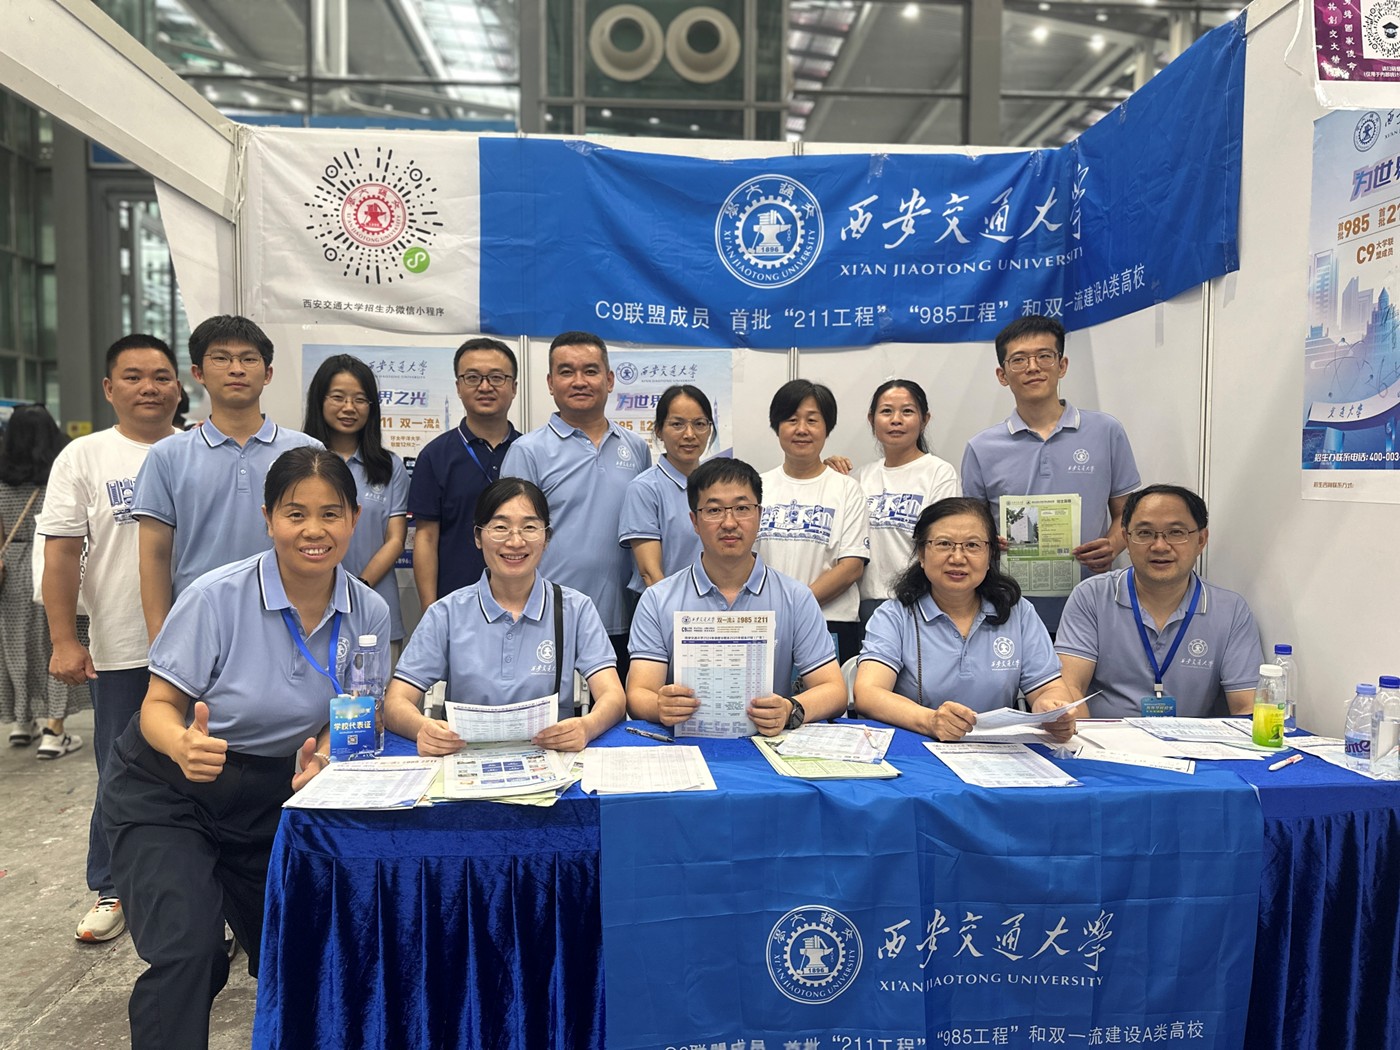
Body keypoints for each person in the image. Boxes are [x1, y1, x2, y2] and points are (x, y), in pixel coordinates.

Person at [101, 448, 389, 1050]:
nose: (313, 530)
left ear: (354, 519)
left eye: (330, 514)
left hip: (274, 794)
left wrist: (325, 757)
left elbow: (355, 707)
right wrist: (182, 744)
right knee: (190, 948)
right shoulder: (216, 597)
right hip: (170, 787)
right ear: (267, 518)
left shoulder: (369, 609)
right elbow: (157, 706)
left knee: (304, 947)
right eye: (295, 514)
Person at [37, 334, 181, 943]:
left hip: (198, 647)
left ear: (180, 386)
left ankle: (202, 888)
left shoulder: (197, 449)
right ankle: (112, 885)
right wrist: (64, 640)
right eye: (133, 376)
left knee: (200, 767)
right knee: (120, 770)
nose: (149, 388)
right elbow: (61, 554)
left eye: (161, 376)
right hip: (121, 645)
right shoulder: (84, 457)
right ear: (108, 388)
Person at [384, 477, 625, 753]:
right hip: (465, 760)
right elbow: (396, 702)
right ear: (478, 537)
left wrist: (587, 726)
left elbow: (613, 696)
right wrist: (422, 728)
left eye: (530, 527)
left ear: (546, 538)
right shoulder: (446, 613)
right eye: (500, 527)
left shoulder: (576, 608)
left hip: (552, 759)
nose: (515, 541)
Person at [627, 457, 847, 736]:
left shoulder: (796, 597)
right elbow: (639, 693)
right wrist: (659, 706)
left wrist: (790, 709)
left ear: (760, 514)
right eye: (714, 510)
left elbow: (834, 690)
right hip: (685, 745)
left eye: (742, 508)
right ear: (695, 521)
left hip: (765, 744)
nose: (729, 523)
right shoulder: (658, 599)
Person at [132, 314, 320, 639]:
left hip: (289, 622)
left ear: (268, 373)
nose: (236, 369)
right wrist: (160, 639)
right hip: (196, 624)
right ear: (198, 373)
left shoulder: (307, 451)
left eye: (249, 359)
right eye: (221, 358)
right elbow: (155, 557)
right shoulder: (167, 455)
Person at [960, 315, 1140, 634]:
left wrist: (1114, 545)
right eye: (1019, 359)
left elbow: (1126, 514)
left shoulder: (1106, 431)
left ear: (1062, 365)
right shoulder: (981, 447)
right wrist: (986, 542)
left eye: (1044, 356)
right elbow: (971, 526)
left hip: (1092, 605)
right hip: (1010, 608)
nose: (1033, 367)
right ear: (1002, 375)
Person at [853, 497, 1077, 742]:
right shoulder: (895, 615)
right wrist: (930, 721)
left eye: (972, 545)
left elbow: (1049, 688)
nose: (958, 558)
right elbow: (868, 693)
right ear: (922, 554)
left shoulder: (1017, 612)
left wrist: (1052, 709)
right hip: (917, 746)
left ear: (990, 554)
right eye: (944, 544)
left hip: (998, 752)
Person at [501, 331, 651, 676]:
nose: (579, 381)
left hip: (626, 621)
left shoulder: (636, 448)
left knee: (617, 709)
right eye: (566, 372)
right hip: (550, 620)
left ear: (609, 380)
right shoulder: (528, 451)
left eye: (590, 371)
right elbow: (511, 540)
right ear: (550, 383)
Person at [1056, 484, 1263, 718]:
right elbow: (1070, 690)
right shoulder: (1091, 596)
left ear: (1201, 540)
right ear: (1126, 539)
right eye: (1145, 533)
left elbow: (1247, 707)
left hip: (1191, 739)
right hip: (1107, 737)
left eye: (1176, 533)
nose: (1160, 546)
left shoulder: (1230, 610)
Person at [756, 379, 869, 664]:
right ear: (777, 426)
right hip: (764, 621)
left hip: (831, 621)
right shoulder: (757, 486)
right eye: (791, 420)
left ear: (827, 427)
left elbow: (851, 567)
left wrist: (796, 606)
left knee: (828, 693)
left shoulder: (847, 489)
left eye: (812, 420)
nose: (802, 429)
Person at [1, 404, 89, 758]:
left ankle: (22, 723)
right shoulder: (61, 474)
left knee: (17, 647)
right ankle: (55, 730)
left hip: (12, 570)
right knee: (61, 644)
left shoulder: (2, 479)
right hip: (52, 565)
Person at [302, 354, 409, 647]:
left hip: (375, 602)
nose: (349, 407)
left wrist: (356, 589)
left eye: (360, 400)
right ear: (320, 400)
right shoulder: (299, 461)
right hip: (309, 606)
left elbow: (395, 540)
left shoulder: (390, 466)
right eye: (338, 397)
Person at [407, 336, 521, 610]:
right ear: (458, 386)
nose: (485, 386)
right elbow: (426, 538)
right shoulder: (435, 455)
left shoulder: (531, 451)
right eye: (472, 377)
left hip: (523, 601)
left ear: (514, 387)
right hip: (455, 604)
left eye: (497, 377)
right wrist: (430, 610)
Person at [839, 379, 960, 625]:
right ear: (871, 420)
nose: (896, 420)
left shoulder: (939, 473)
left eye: (907, 411)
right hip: (867, 603)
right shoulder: (860, 477)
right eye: (886, 411)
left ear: (924, 420)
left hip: (920, 600)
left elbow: (944, 542)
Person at [618, 384, 714, 590]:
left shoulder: (716, 485)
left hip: (714, 605)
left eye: (699, 424)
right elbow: (650, 573)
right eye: (677, 424)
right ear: (659, 431)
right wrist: (674, 608)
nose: (690, 434)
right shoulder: (644, 489)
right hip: (664, 603)